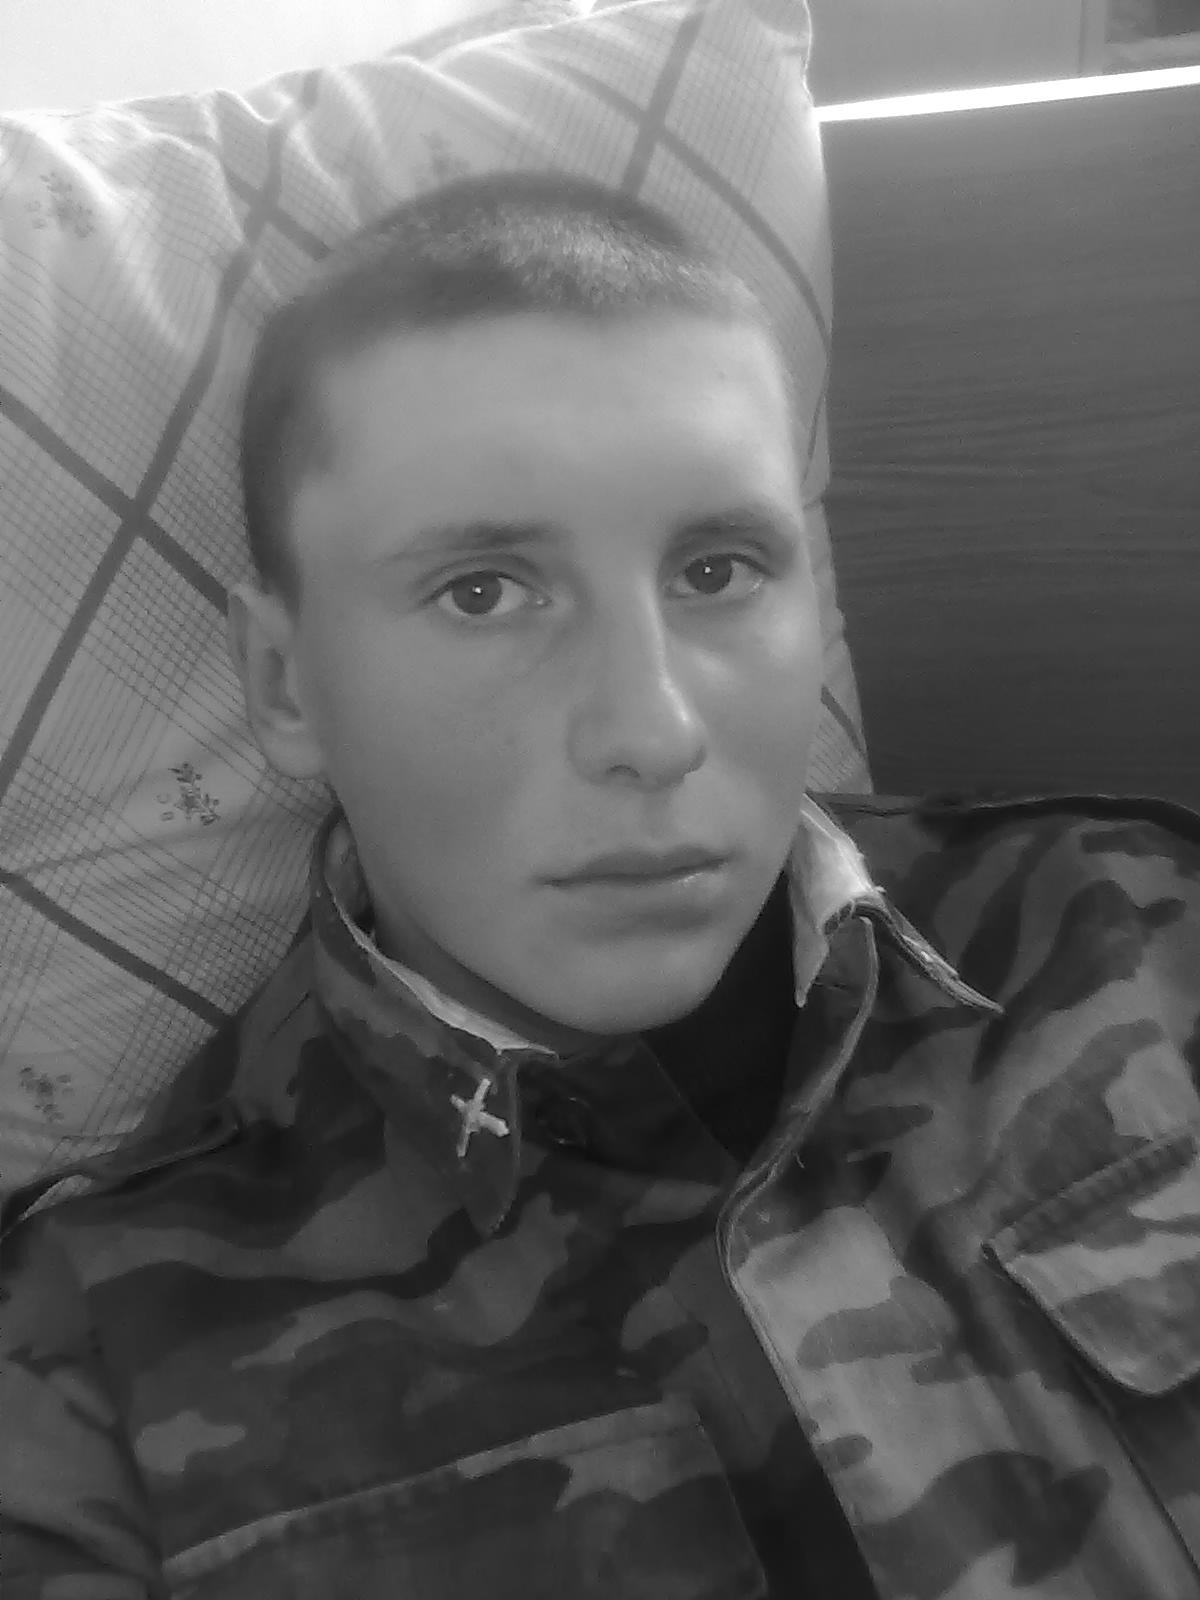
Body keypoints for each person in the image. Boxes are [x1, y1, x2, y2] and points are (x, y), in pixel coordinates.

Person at [3, 170, 1200, 1600]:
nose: (654, 730)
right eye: (484, 592)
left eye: (719, 568)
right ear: (284, 682)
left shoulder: (1140, 929)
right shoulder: (87, 1362)